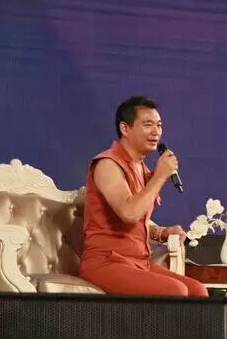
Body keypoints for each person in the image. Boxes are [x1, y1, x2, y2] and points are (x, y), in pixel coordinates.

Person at [79, 96, 208, 297]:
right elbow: (128, 213)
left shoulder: (140, 168)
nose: (156, 132)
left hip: (137, 263)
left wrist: (162, 232)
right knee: (176, 291)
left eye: (159, 125)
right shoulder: (107, 164)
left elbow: (139, 220)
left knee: (198, 291)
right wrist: (160, 176)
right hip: (106, 262)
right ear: (125, 128)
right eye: (148, 125)